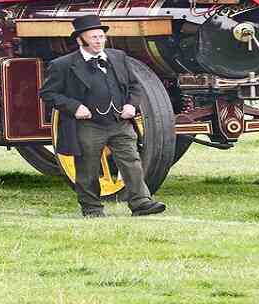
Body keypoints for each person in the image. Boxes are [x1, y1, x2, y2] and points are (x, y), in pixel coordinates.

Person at [39, 14, 167, 218]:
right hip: (88, 125)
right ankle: (92, 208)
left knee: (131, 161)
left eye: (101, 37)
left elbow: (135, 86)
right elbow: (48, 93)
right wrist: (74, 107)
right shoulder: (62, 65)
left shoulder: (118, 57)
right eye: (93, 37)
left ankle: (141, 202)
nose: (99, 41)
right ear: (80, 40)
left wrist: (131, 105)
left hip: (119, 122)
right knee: (88, 167)